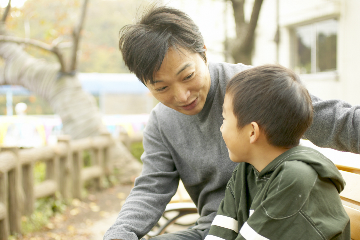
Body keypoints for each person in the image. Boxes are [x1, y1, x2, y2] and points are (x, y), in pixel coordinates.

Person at [104, 5, 359, 240]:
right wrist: (120, 233)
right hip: (216, 228)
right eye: (162, 87)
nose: (182, 95)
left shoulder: (250, 88)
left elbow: (336, 120)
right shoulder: (161, 123)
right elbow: (150, 189)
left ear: (203, 52)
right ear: (147, 85)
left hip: (274, 223)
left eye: (188, 75)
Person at [205, 65, 350, 240]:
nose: (221, 128)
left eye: (225, 118)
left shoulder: (295, 178)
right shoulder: (246, 171)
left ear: (252, 131)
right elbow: (220, 233)